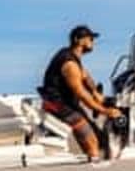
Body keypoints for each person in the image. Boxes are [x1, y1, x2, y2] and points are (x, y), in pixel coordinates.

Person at [40, 25, 122, 162]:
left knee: (98, 134)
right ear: (78, 40)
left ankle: (96, 159)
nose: (92, 41)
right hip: (57, 103)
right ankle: (94, 167)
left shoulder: (73, 57)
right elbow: (81, 94)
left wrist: (95, 92)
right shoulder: (69, 64)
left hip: (67, 103)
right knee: (90, 138)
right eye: (89, 38)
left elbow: (85, 75)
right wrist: (104, 110)